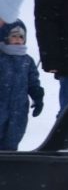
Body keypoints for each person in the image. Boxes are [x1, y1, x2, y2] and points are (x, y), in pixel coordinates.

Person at [0, 20, 44, 150]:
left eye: (21, 36)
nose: (18, 39)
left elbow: (33, 82)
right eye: (13, 35)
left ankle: (9, 167)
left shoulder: (27, 60)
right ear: (4, 37)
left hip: (18, 111)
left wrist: (38, 97)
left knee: (12, 141)